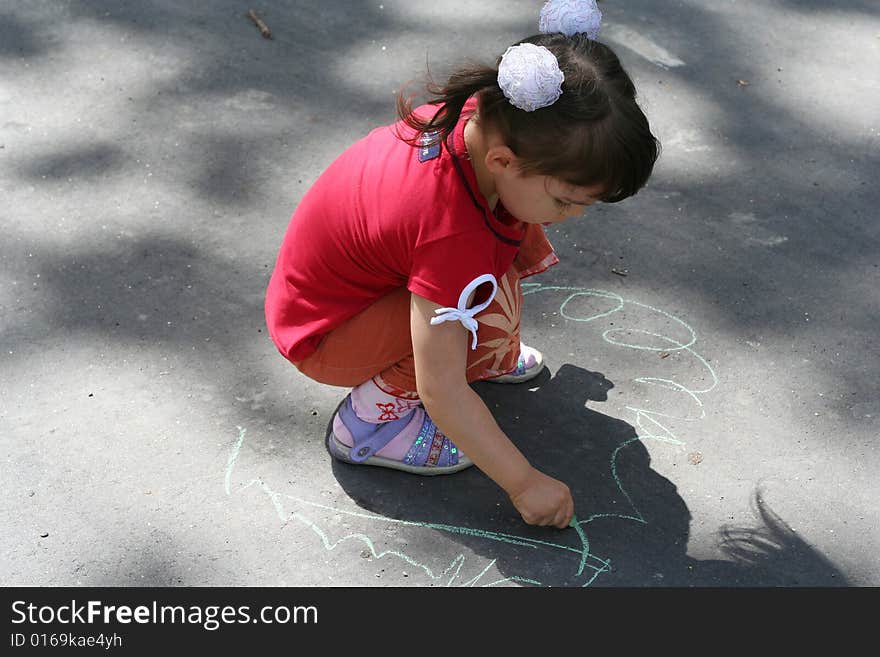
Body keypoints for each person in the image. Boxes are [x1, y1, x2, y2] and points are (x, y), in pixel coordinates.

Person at [264, 0, 659, 529]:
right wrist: (525, 483)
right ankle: (368, 424)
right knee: (459, 334)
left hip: (339, 293)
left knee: (482, 287)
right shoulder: (451, 232)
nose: (574, 215)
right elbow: (442, 386)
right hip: (325, 332)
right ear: (503, 160)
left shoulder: (488, 120)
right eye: (567, 200)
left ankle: (483, 351)